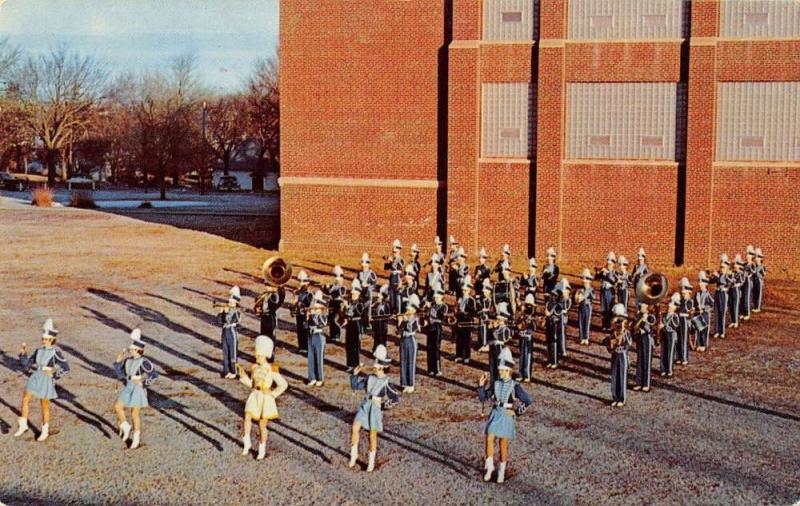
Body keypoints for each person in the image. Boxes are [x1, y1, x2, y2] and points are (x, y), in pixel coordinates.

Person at [479, 348, 532, 484]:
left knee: (503, 444)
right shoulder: (495, 384)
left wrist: (516, 411)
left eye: (502, 370)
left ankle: (502, 471)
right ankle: (490, 466)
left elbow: (528, 400)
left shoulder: (515, 386)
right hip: (496, 412)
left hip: (507, 415)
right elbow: (484, 398)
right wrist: (481, 386)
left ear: (509, 371)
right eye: (499, 370)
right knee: (489, 437)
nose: (500, 372)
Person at [14, 318, 70, 441]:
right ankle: (23, 425)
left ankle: (45, 430)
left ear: (52, 340)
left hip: (46, 379)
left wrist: (53, 375)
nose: (43, 341)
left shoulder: (56, 353)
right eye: (43, 339)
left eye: (46, 339)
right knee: (25, 399)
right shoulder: (38, 350)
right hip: (35, 376)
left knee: (44, 406)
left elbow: (66, 368)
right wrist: (23, 353)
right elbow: (28, 364)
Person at [349, 345, 400, 472]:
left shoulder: (386, 382)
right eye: (375, 363)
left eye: (378, 365)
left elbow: (395, 399)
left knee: (372, 435)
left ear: (383, 367)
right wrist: (355, 374)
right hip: (366, 404)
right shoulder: (369, 377)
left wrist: (383, 406)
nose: (375, 367)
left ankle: (371, 462)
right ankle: (353, 455)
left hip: (375, 408)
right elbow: (355, 386)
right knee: (355, 427)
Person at [236, 335, 288, 460]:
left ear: (265, 355)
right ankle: (247, 441)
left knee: (262, 425)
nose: (256, 357)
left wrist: (273, 394)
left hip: (265, 398)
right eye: (256, 354)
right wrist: (243, 377)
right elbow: (252, 384)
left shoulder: (271, 369)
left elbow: (283, 384)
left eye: (259, 355)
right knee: (247, 416)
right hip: (255, 395)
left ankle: (262, 448)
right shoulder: (254, 367)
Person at [113, 329, 158, 450]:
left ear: (138, 350)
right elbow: (120, 374)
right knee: (118, 406)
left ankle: (136, 438)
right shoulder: (127, 360)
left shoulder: (144, 362)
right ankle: (125, 426)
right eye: (130, 349)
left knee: (134, 414)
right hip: (128, 386)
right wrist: (118, 361)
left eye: (132, 349)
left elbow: (154, 375)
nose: (130, 351)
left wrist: (143, 383)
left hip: (137, 389)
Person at [605, 304, 631, 407]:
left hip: (622, 354)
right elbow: (607, 343)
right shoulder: (613, 332)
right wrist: (611, 345)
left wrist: (621, 338)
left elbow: (628, 344)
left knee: (622, 376)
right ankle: (615, 397)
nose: (619, 324)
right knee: (614, 375)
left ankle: (622, 398)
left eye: (621, 321)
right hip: (615, 354)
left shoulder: (626, 332)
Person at [398, 294, 422, 393]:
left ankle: (411, 384)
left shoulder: (415, 318)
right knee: (403, 361)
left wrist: (404, 321)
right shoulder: (405, 317)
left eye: (410, 309)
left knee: (410, 362)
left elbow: (411, 328)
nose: (408, 310)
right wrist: (399, 322)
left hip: (411, 339)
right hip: (403, 339)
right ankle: (404, 383)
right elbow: (398, 331)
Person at [218, 286, 242, 379]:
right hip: (225, 331)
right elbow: (220, 322)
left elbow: (232, 320)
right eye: (229, 302)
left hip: (232, 331)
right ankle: (226, 370)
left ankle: (234, 371)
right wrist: (221, 313)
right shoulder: (227, 310)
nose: (229, 303)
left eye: (232, 302)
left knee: (233, 351)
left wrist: (226, 313)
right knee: (225, 350)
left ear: (236, 303)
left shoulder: (237, 311)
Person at [307, 291, 328, 386]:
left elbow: (322, 324)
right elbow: (305, 326)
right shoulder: (311, 315)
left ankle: (320, 378)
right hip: (311, 335)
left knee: (319, 358)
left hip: (319, 336)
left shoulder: (323, 315)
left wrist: (314, 316)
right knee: (311, 357)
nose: (314, 309)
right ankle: (312, 377)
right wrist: (307, 318)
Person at [488, 303, 512, 386]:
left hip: (500, 348)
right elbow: (491, 337)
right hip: (493, 348)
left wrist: (494, 329)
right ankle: (492, 385)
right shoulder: (497, 329)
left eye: (500, 320)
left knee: (499, 367)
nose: (498, 321)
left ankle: (499, 385)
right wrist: (492, 329)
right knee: (492, 367)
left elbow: (502, 339)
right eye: (498, 320)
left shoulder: (506, 330)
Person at [426, 289, 449, 376]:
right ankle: (430, 369)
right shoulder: (432, 305)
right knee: (429, 348)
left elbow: (443, 318)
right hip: (430, 327)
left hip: (437, 327)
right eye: (435, 297)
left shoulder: (444, 306)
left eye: (438, 297)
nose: (436, 299)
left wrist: (434, 318)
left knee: (436, 348)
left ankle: (437, 369)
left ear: (441, 297)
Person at [632, 303, 654, 392]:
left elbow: (650, 329)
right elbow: (634, 327)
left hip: (647, 338)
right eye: (640, 306)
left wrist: (644, 320)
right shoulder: (638, 315)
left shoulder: (651, 316)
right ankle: (638, 382)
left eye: (643, 307)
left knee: (646, 361)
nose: (641, 308)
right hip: (639, 338)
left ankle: (646, 384)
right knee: (639, 360)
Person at [344, 279, 365, 371]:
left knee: (355, 346)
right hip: (349, 324)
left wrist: (348, 308)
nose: (353, 295)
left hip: (356, 324)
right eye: (352, 294)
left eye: (355, 294)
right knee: (348, 345)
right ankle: (350, 364)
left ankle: (356, 364)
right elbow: (346, 314)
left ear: (358, 294)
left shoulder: (360, 303)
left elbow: (358, 313)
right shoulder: (349, 302)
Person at [455, 276, 477, 363]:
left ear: (469, 291)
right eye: (463, 290)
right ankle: (459, 355)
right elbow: (456, 308)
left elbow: (473, 312)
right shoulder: (460, 299)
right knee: (459, 338)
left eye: (466, 290)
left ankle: (467, 356)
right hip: (460, 320)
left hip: (467, 321)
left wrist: (464, 312)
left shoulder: (471, 300)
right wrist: (456, 311)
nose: (464, 292)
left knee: (467, 340)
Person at [710, 254, 732, 339]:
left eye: (723, 267)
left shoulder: (728, 275)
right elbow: (711, 281)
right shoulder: (719, 274)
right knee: (716, 311)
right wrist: (710, 275)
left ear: (726, 268)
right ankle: (716, 330)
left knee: (722, 312)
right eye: (721, 267)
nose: (721, 269)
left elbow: (728, 282)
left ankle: (722, 331)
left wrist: (718, 276)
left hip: (723, 294)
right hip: (717, 293)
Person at [659, 293, 680, 377]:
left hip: (671, 334)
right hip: (665, 334)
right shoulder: (664, 315)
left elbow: (676, 325)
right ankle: (663, 368)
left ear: (674, 309)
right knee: (663, 351)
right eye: (669, 307)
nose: (669, 308)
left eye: (671, 308)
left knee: (670, 353)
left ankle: (669, 370)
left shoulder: (675, 316)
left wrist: (665, 325)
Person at [596, 252, 619, 331]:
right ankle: (604, 325)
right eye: (608, 263)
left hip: (610, 290)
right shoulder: (604, 270)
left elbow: (614, 281)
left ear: (613, 263)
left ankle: (608, 325)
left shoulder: (615, 273)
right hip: (603, 290)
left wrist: (607, 274)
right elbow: (597, 278)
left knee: (609, 308)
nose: (609, 265)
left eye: (610, 263)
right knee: (603, 307)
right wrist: (599, 272)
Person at [324, 266, 347, 342]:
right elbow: (327, 292)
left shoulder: (342, 287)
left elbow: (339, 293)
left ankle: (336, 335)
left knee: (336, 318)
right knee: (331, 318)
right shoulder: (333, 286)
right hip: (332, 302)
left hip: (338, 302)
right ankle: (332, 334)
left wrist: (330, 289)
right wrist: (326, 288)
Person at [517, 294, 536, 382]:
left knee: (528, 356)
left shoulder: (532, 318)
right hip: (522, 337)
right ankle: (520, 373)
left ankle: (527, 374)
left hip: (528, 338)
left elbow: (534, 328)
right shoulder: (521, 316)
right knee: (521, 355)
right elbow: (517, 325)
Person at [293, 271, 313, 352]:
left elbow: (310, 306)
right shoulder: (298, 292)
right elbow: (294, 304)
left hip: (305, 315)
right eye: (300, 282)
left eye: (303, 282)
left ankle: (307, 348)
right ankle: (301, 347)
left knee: (305, 331)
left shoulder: (309, 294)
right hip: (299, 314)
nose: (300, 284)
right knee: (300, 330)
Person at [694, 271, 714, 352]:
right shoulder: (697, 293)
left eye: (702, 283)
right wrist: (695, 308)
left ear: (705, 284)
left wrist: (705, 309)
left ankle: (704, 344)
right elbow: (694, 303)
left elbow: (712, 303)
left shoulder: (707, 294)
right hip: (698, 313)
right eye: (699, 282)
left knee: (705, 329)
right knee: (699, 328)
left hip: (705, 313)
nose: (700, 285)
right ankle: (699, 344)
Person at [358, 253, 378, 330]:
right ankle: (362, 322)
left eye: (366, 263)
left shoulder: (371, 274)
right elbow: (357, 282)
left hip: (368, 292)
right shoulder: (359, 273)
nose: (364, 265)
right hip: (361, 292)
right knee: (361, 307)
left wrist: (368, 287)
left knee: (368, 308)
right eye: (363, 263)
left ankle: (368, 322)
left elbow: (374, 284)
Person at [384, 239, 404, 313]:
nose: (394, 253)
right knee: (392, 295)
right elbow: (386, 267)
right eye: (393, 251)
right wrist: (387, 260)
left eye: (395, 251)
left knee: (397, 295)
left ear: (399, 250)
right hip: (392, 277)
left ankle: (398, 311)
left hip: (397, 277)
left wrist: (392, 261)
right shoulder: (393, 258)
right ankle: (393, 310)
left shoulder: (401, 259)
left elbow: (400, 267)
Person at [677, 277, 694, 366]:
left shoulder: (689, 301)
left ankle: (684, 358)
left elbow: (685, 309)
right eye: (682, 294)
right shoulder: (681, 300)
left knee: (684, 339)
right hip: (680, 320)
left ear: (688, 293)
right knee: (679, 338)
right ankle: (679, 356)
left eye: (685, 294)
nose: (683, 295)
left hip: (685, 320)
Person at [553, 279, 572, 358]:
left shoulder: (566, 300)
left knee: (562, 333)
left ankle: (563, 350)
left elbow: (566, 306)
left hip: (563, 316)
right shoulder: (561, 299)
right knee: (560, 333)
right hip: (560, 317)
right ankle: (561, 349)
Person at [576, 268, 595, 345]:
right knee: (581, 321)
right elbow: (577, 299)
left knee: (587, 322)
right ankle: (581, 337)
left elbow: (593, 297)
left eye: (587, 279)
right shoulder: (580, 290)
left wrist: (586, 294)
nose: (585, 281)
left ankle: (586, 337)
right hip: (581, 306)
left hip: (588, 306)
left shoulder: (591, 289)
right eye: (584, 278)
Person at [476, 279, 493, 353]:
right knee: (481, 330)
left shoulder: (491, 300)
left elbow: (491, 309)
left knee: (487, 331)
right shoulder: (482, 299)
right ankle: (482, 343)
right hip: (482, 317)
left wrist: (486, 310)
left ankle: (486, 344)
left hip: (488, 317)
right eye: (484, 292)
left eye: (486, 292)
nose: (484, 293)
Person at [372, 285, 391, 352]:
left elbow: (387, 316)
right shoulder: (376, 305)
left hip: (382, 326)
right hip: (377, 325)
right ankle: (375, 351)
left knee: (382, 339)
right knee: (376, 338)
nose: (378, 299)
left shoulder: (386, 305)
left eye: (379, 298)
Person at [729, 254, 745, 329]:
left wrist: (736, 283)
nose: (735, 266)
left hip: (736, 290)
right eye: (735, 264)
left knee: (735, 305)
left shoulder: (741, 273)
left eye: (737, 264)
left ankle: (736, 321)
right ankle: (733, 320)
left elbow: (742, 281)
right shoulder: (733, 273)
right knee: (731, 305)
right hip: (731, 289)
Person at [741, 245, 756, 320]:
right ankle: (742, 312)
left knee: (746, 297)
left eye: (749, 255)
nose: (747, 256)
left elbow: (753, 272)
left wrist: (748, 272)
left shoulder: (752, 264)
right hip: (743, 281)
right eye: (747, 255)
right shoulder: (744, 264)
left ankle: (747, 313)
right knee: (742, 297)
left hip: (748, 281)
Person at [752, 247, 766, 312]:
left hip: (759, 280)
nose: (757, 259)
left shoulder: (762, 266)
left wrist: (758, 274)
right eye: (756, 258)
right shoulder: (754, 265)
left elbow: (764, 274)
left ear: (760, 258)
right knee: (754, 293)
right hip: (754, 280)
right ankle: (755, 306)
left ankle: (758, 307)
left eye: (758, 257)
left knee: (759, 293)